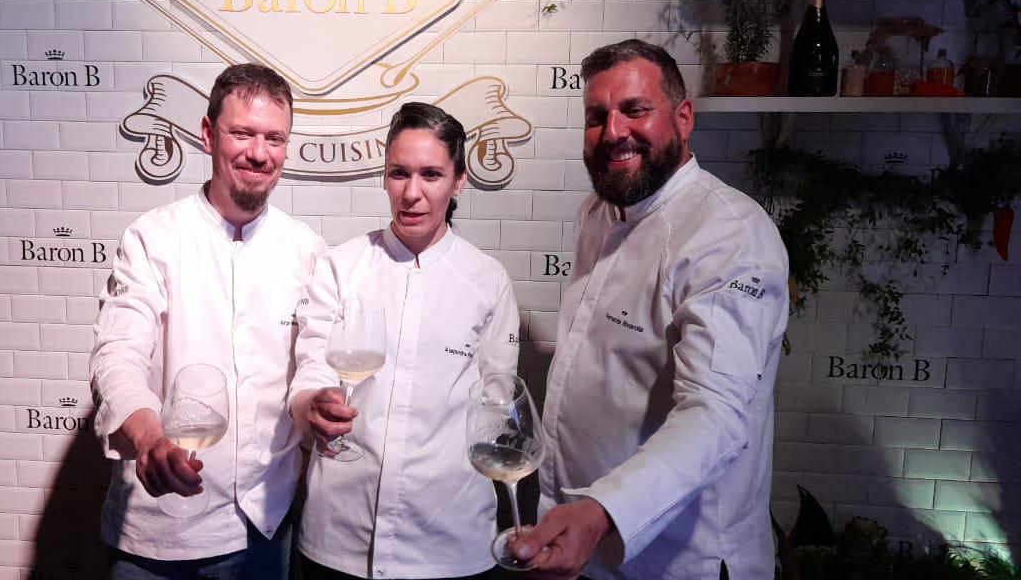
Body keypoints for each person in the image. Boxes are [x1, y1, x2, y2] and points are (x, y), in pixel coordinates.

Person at [513, 40, 789, 580]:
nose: (613, 132)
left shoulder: (729, 235)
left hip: (680, 560)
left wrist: (602, 511)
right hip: (587, 544)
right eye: (597, 117)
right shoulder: (596, 213)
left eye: (634, 110)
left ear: (683, 118)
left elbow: (714, 414)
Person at [90, 63, 326, 579]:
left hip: (264, 530)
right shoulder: (152, 238)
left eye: (274, 139)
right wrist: (150, 438)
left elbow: (314, 366)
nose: (259, 153)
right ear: (207, 134)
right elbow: (117, 355)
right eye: (242, 133)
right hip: (155, 536)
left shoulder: (307, 249)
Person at [288, 102, 521, 580]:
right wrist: (313, 403)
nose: (412, 193)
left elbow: (495, 407)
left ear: (459, 181)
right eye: (399, 173)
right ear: (385, 176)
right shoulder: (341, 267)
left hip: (451, 540)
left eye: (431, 174)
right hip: (339, 536)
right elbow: (310, 370)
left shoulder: (488, 279)